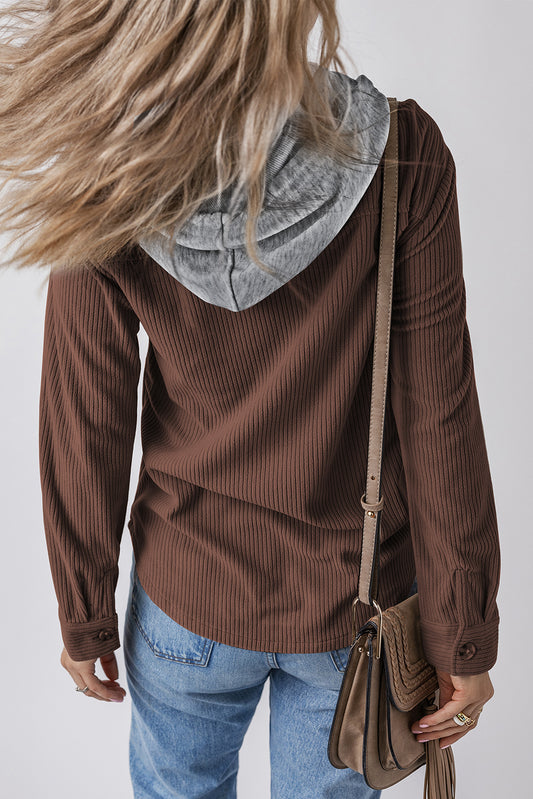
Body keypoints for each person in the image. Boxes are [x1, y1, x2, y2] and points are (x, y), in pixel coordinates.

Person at [0, 2, 500, 797]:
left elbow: (86, 411)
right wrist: (460, 630)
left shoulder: (105, 170)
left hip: (185, 597)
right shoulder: (402, 152)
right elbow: (439, 414)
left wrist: (83, 611)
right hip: (350, 606)